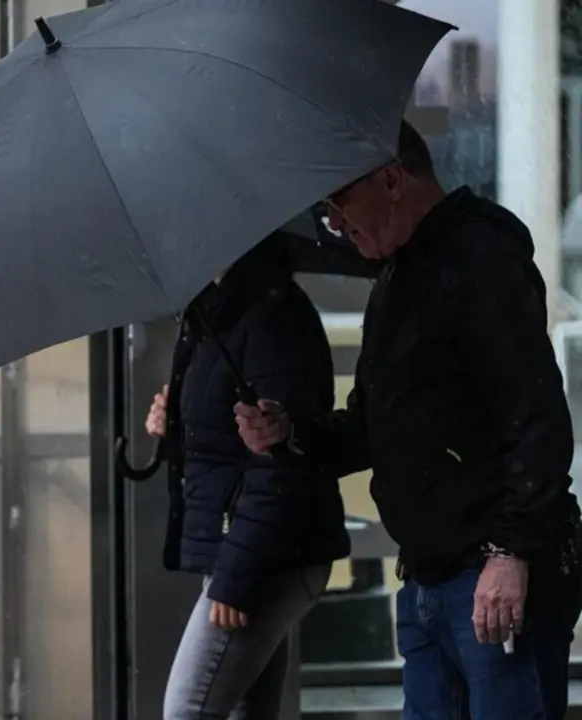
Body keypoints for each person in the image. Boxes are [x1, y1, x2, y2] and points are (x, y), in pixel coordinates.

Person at [235, 121, 582, 720]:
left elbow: (538, 418)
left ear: (392, 180)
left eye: (338, 203)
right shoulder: (395, 279)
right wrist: (291, 433)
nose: (335, 225)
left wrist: (510, 553)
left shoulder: (478, 256)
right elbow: (372, 427)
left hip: (493, 578)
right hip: (428, 579)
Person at [150, 236, 350, 719]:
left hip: (267, 556)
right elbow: (222, 442)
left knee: (187, 711)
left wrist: (238, 578)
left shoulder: (270, 314)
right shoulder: (214, 310)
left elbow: (280, 462)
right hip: (247, 549)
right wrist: (171, 419)